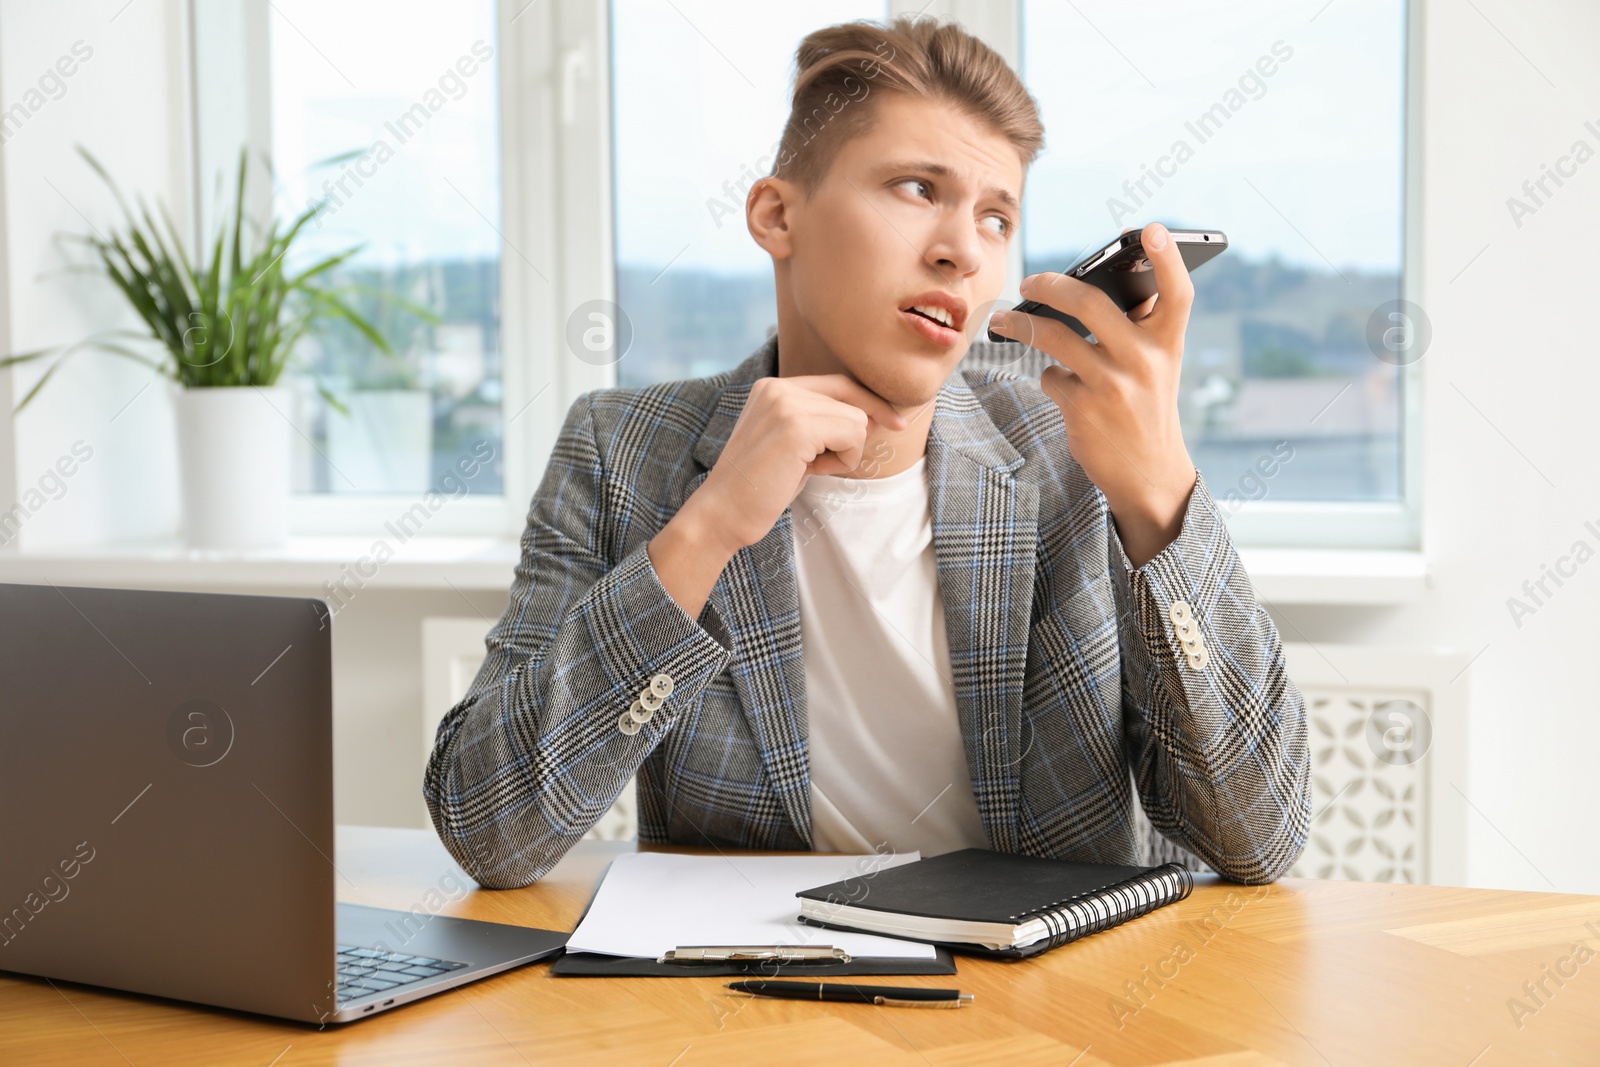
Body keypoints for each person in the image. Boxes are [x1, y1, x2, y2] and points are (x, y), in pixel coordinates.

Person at [424, 15, 1309, 889]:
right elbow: (490, 834)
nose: (963, 249)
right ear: (778, 215)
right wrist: (708, 530)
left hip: (1041, 1013)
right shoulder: (620, 453)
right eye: (918, 188)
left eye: (997, 217)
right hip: (753, 1008)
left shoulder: (1068, 444)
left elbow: (1258, 840)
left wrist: (1160, 495)